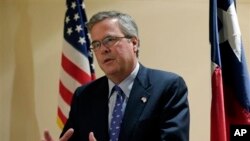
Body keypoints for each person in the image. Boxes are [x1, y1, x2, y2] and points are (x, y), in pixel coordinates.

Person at [42, 11, 190, 141]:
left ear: (134, 43)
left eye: (109, 40)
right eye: (96, 44)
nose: (102, 50)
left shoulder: (168, 87)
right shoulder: (84, 96)